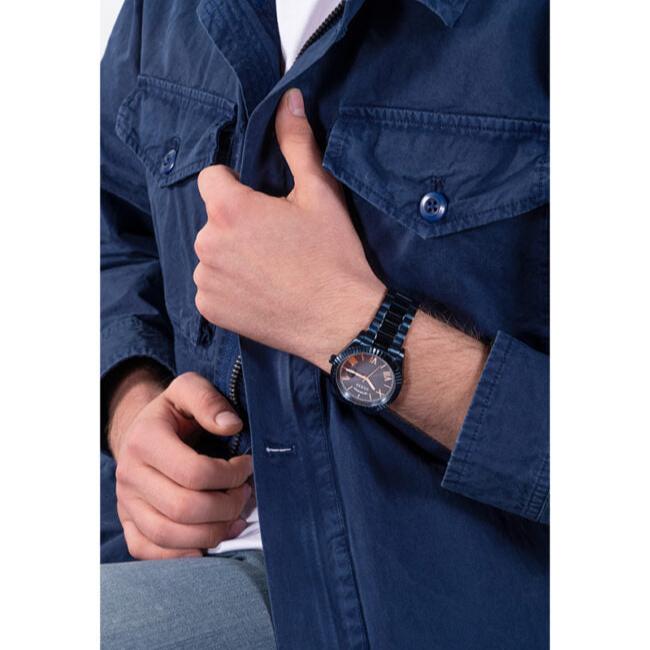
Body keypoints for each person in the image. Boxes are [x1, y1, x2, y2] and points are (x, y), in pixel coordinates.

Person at [100, 0, 549, 648]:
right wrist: (131, 411)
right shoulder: (161, 12)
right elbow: (110, 230)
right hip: (182, 557)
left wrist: (352, 323)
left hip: (454, 600)